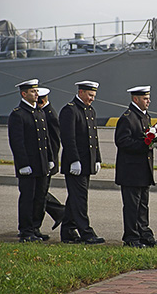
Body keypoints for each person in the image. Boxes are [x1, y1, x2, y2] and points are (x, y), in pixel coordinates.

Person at [115, 86, 157, 248]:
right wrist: (146, 144)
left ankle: (144, 233)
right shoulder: (128, 118)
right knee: (132, 206)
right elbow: (122, 141)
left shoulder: (144, 116)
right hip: (130, 171)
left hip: (143, 170)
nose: (148, 101)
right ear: (135, 99)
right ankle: (131, 237)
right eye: (145, 98)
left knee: (143, 205)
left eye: (148, 98)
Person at [8, 79, 54, 242]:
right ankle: (26, 230)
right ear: (24, 94)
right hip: (28, 165)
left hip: (41, 164)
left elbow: (46, 139)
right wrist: (23, 164)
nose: (37, 94)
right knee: (28, 197)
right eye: (33, 92)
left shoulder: (39, 113)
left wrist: (50, 159)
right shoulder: (18, 114)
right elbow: (17, 142)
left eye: (36, 91)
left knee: (40, 197)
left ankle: (35, 227)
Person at [59, 80, 104, 245]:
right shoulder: (70, 110)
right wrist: (74, 160)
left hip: (87, 163)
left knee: (74, 199)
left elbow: (94, 138)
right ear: (81, 93)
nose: (92, 98)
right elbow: (68, 139)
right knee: (80, 199)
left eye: (94, 96)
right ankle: (86, 233)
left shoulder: (90, 110)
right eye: (90, 95)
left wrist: (97, 158)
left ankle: (68, 232)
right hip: (75, 165)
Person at [37, 87, 65, 231]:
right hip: (43, 161)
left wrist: (51, 161)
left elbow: (54, 142)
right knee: (39, 193)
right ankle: (60, 212)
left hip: (47, 161)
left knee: (39, 193)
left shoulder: (50, 115)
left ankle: (61, 212)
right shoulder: (44, 112)